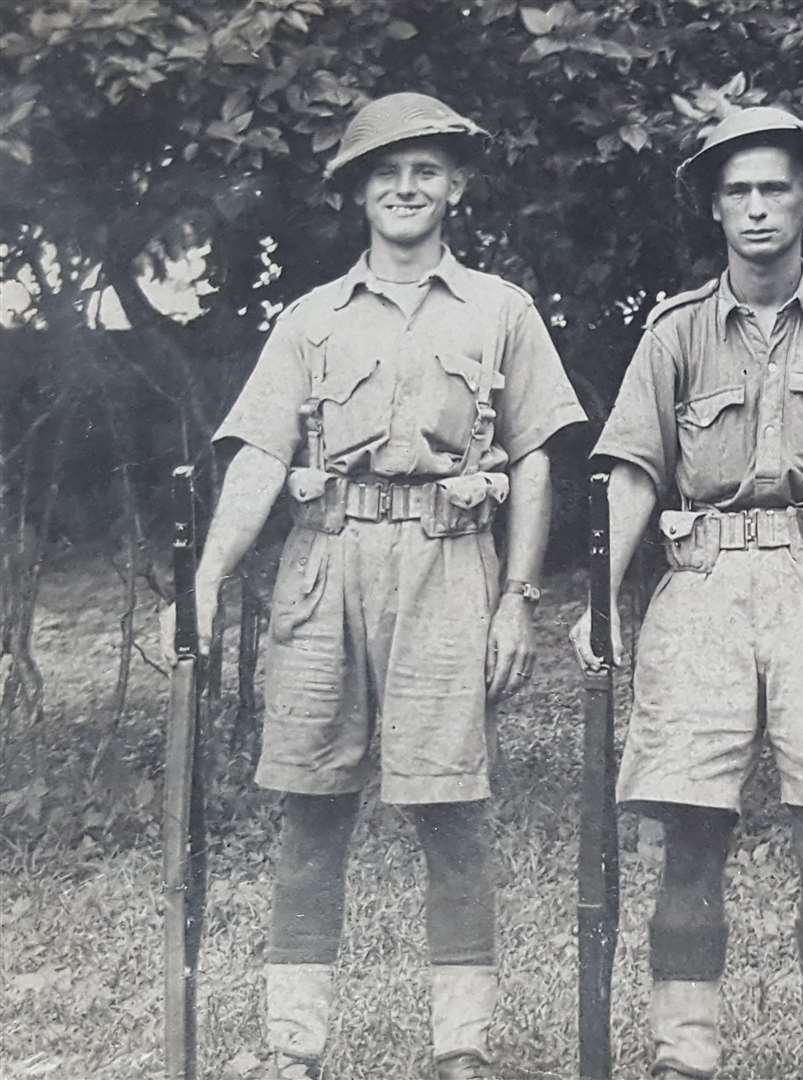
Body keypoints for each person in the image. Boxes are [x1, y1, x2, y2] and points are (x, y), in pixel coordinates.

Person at [166, 92, 587, 1080]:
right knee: (310, 807)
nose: (406, 186)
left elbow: (533, 459)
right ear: (357, 190)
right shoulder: (310, 320)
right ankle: (292, 1042)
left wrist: (518, 597)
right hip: (326, 565)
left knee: (451, 809)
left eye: (426, 168)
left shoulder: (501, 311)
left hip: (449, 566)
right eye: (386, 170)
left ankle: (462, 1046)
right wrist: (207, 579)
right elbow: (263, 457)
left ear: (455, 186)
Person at [570, 106, 803, 1080]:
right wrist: (602, 597)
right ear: (715, 210)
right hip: (702, 585)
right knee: (690, 831)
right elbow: (636, 472)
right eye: (738, 191)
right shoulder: (677, 332)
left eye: (776, 187)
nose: (759, 208)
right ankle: (684, 1055)